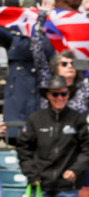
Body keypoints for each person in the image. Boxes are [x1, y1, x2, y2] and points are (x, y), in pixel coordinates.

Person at [15, 76, 89, 197]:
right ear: (48, 95)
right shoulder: (35, 118)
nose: (60, 98)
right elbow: (23, 148)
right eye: (55, 94)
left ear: (69, 94)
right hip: (39, 186)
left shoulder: (77, 118)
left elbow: (88, 149)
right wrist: (31, 174)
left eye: (63, 93)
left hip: (67, 188)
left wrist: (75, 170)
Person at [32, 5, 89, 116]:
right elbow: (38, 52)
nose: (70, 66)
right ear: (56, 67)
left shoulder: (85, 89)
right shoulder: (47, 83)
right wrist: (41, 19)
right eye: (64, 64)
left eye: (73, 63)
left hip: (77, 132)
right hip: (51, 131)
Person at [0, 8, 57, 141]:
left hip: (38, 97)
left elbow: (43, 49)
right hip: (17, 97)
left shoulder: (49, 35)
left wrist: (42, 21)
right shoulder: (15, 38)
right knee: (17, 138)